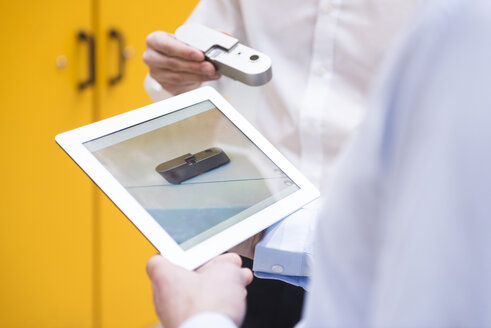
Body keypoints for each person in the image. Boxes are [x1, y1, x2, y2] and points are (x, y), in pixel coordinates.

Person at [146, 0, 491, 326]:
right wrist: (177, 72)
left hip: (379, 257)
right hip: (256, 243)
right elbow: (198, 55)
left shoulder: (461, 20)